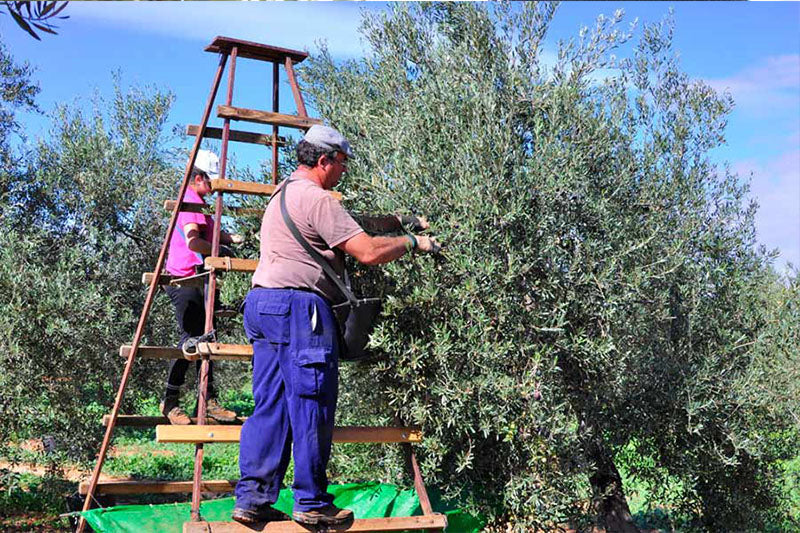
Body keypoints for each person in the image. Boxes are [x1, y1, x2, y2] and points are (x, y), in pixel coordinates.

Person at [232, 126, 440, 526]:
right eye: (342, 162)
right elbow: (366, 251)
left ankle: (253, 499)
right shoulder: (317, 198)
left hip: (262, 303)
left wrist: (399, 220)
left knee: (270, 405)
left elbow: (348, 223)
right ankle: (311, 504)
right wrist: (415, 243)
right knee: (311, 404)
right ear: (324, 160)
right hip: (300, 309)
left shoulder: (285, 193)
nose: (344, 170)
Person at [161, 150, 240, 425]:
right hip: (185, 278)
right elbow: (195, 242)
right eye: (211, 181)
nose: (215, 187)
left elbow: (216, 234)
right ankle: (170, 402)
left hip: (200, 278)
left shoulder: (202, 203)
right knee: (191, 340)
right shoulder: (189, 201)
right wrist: (224, 249)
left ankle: (207, 401)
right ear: (198, 178)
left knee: (206, 338)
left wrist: (240, 238)